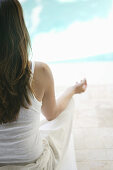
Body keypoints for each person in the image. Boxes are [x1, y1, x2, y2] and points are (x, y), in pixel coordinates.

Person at [0, 0, 87, 169]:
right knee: (66, 105)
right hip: (33, 166)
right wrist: (72, 90)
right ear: (20, 29)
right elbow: (51, 114)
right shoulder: (40, 71)